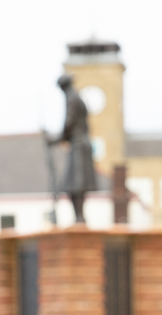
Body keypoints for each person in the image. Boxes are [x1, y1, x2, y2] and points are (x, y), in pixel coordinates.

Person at [55, 74, 96, 224]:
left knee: (76, 182)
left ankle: (79, 217)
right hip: (80, 144)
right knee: (75, 183)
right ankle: (79, 217)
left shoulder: (72, 98)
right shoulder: (76, 97)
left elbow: (69, 122)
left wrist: (57, 139)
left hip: (78, 144)